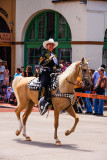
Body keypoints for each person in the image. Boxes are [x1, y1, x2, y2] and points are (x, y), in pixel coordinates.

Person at [38, 38, 59, 113]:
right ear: (47, 46)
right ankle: (41, 100)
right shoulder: (44, 54)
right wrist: (48, 59)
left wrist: (59, 65)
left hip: (54, 72)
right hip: (46, 72)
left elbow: (56, 65)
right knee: (44, 84)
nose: (51, 45)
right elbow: (41, 63)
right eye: (49, 44)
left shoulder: (54, 55)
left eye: (52, 44)